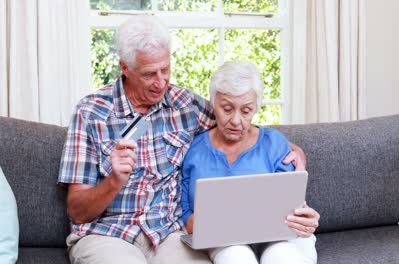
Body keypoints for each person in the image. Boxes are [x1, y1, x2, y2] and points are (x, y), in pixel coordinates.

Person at [58, 16, 308, 264]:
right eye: (149, 74)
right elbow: (77, 212)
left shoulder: (184, 104)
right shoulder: (90, 113)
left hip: (168, 235)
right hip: (108, 235)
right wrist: (114, 180)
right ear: (125, 68)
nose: (161, 82)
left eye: (165, 69)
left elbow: (240, 123)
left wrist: (293, 150)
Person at [181, 61, 319, 264]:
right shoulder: (194, 150)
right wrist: (204, 225)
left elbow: (293, 203)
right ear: (213, 103)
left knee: (279, 255)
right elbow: (185, 214)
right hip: (224, 241)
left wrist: (303, 219)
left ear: (255, 108)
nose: (236, 121)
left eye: (246, 111)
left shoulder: (274, 143)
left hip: (280, 238)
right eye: (227, 109)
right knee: (235, 255)